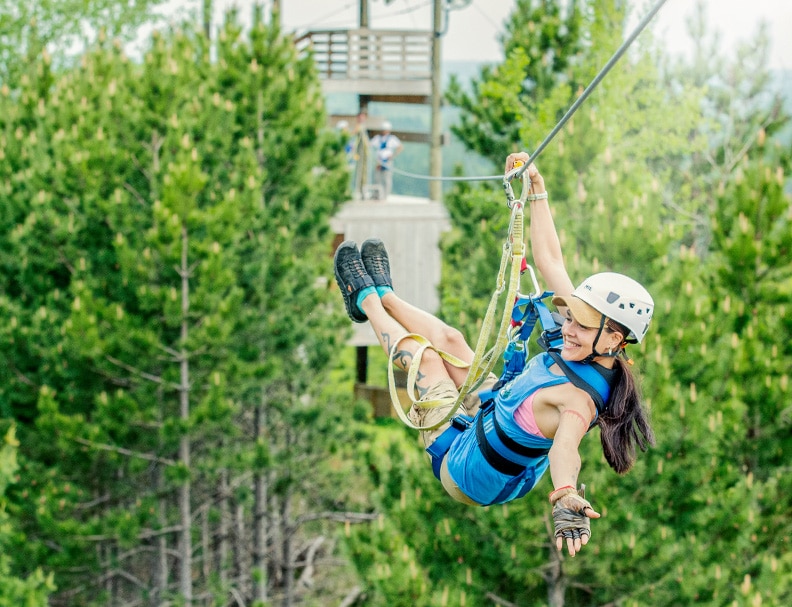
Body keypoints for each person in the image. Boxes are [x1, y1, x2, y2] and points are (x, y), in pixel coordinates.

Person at [333, 153, 655, 557]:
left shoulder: (580, 401)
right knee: (451, 339)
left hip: (468, 470)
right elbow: (550, 260)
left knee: (428, 362)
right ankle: (386, 294)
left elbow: (565, 448)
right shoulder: (581, 340)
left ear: (614, 340)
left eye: (582, 325)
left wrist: (567, 494)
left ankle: (365, 301)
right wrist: (537, 189)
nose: (568, 327)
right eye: (570, 316)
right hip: (495, 410)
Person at [369, 121, 403, 199]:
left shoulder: (392, 139)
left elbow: (400, 147)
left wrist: (393, 155)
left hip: (387, 161)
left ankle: (385, 195)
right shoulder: (377, 138)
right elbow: (370, 144)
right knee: (377, 178)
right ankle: (376, 194)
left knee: (387, 178)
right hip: (379, 160)